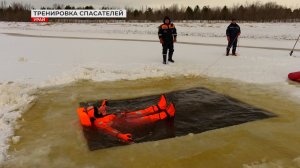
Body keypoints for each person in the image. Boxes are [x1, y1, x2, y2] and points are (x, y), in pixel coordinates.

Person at [77, 95, 176, 143]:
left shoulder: (98, 115)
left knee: (141, 111)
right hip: (126, 124)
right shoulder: (100, 123)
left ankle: (159, 107)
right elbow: (110, 130)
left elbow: (102, 109)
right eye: (96, 110)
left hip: (122, 117)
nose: (99, 109)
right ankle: (167, 113)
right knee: (145, 118)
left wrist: (104, 103)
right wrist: (122, 136)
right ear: (94, 115)